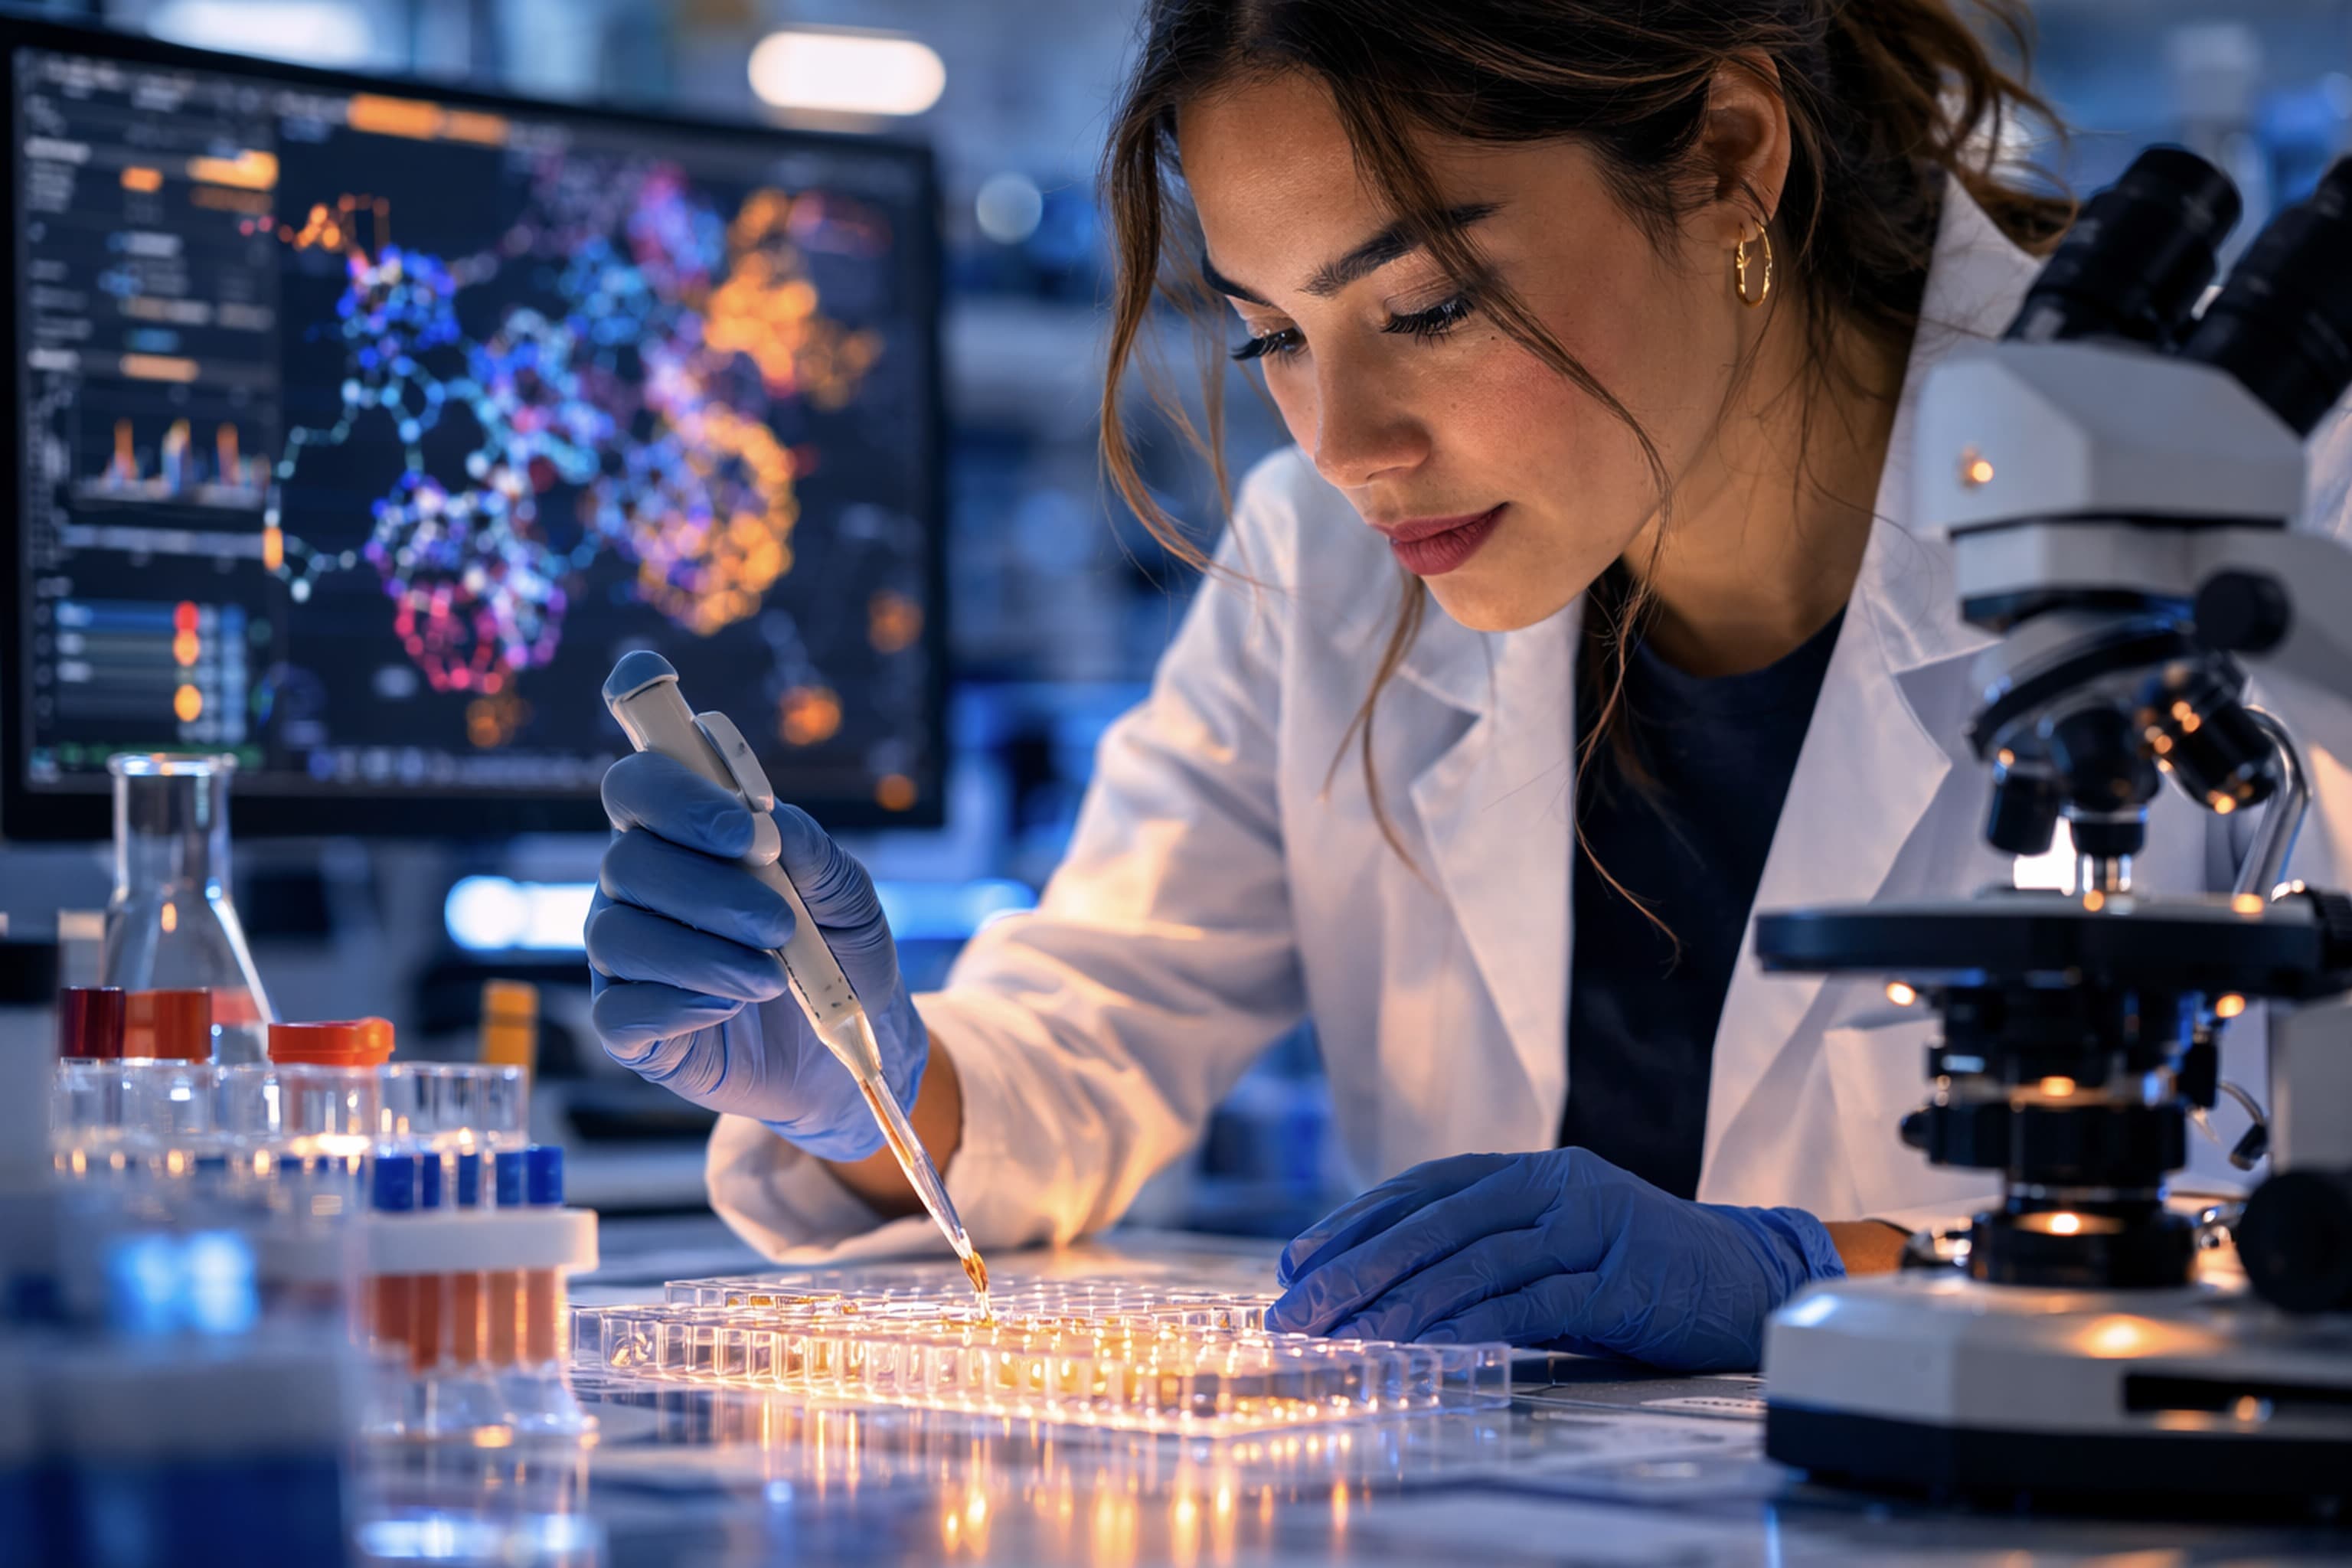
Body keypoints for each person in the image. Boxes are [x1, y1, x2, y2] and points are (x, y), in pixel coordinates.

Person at [584, 0, 2352, 1372]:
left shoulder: (2269, 506)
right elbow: (1088, 1041)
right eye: (1273, 334)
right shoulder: (1331, 573)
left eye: (1423, 306)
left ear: (1732, 151)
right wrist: (857, 1078)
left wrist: (1843, 1273)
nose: (1345, 445)